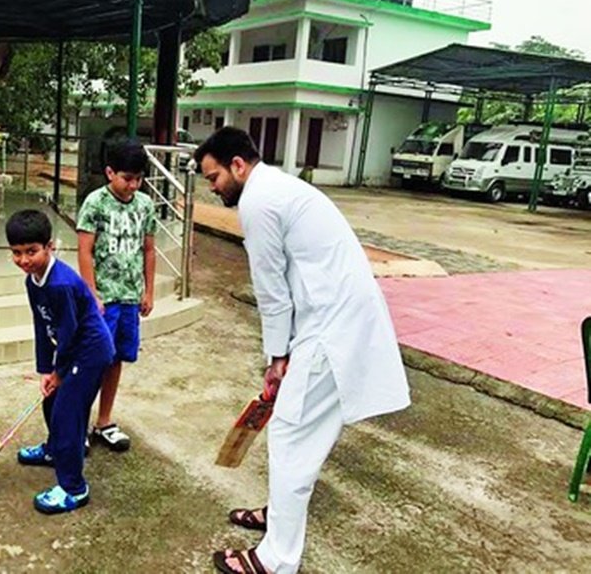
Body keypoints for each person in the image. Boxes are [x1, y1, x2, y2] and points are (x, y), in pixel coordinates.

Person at [195, 127, 411, 574]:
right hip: (333, 322)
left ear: (238, 165)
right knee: (298, 439)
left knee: (292, 437)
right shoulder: (279, 188)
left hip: (331, 331)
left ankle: (275, 560)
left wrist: (276, 361)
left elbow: (271, 290)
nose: (212, 189)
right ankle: (278, 520)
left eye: (214, 177)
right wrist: (284, 351)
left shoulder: (258, 201)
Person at [7, 209, 115, 514]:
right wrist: (45, 370)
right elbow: (42, 326)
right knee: (52, 403)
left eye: (32, 251)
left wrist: (60, 372)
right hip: (73, 350)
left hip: (91, 352)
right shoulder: (33, 281)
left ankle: (74, 488)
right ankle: (55, 450)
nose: (24, 260)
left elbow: (68, 333)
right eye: (17, 253)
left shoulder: (60, 284)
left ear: (49, 246)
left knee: (68, 415)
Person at [76, 139, 157, 452]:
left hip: (129, 299)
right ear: (110, 173)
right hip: (103, 299)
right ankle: (78, 423)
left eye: (138, 179)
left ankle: (104, 421)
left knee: (117, 359)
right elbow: (85, 250)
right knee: (94, 360)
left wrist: (148, 291)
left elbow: (149, 250)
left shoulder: (145, 205)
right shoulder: (95, 203)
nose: (133, 185)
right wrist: (91, 294)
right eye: (127, 178)